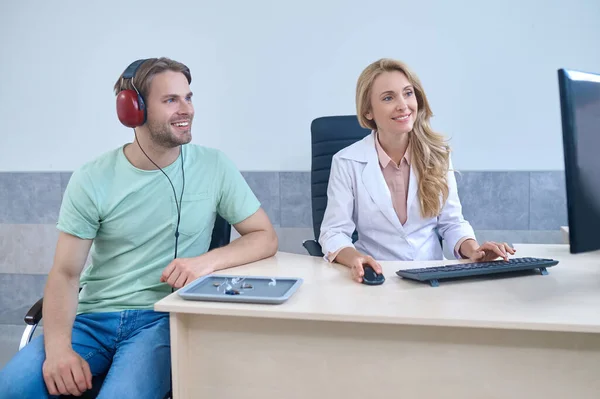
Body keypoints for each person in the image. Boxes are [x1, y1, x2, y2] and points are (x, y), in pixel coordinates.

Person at [0, 57, 278, 398]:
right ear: (134, 109)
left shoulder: (214, 166)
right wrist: (58, 350)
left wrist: (203, 263)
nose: (186, 109)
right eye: (171, 100)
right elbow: (65, 274)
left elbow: (264, 236)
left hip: (160, 319)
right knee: (11, 388)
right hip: (93, 318)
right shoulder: (92, 178)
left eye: (188, 97)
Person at [319, 58, 515, 283]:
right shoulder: (346, 161)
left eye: (408, 93)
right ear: (368, 111)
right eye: (388, 98)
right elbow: (333, 232)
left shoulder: (438, 154)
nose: (403, 105)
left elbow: (451, 223)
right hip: (377, 278)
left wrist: (473, 250)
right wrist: (356, 258)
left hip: (431, 277)